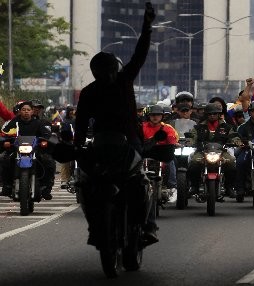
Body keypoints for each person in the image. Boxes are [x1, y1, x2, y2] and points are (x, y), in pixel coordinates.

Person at [73, 2, 159, 245]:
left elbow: (140, 54)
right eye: (103, 70)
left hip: (129, 142)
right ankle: (94, 226)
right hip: (102, 144)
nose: (108, 74)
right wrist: (77, 148)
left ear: (115, 69)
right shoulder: (89, 92)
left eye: (110, 69)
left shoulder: (124, 80)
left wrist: (147, 27)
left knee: (143, 181)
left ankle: (148, 226)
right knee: (85, 183)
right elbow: (80, 123)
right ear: (96, 72)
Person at [187, 103, 240, 201]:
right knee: (193, 162)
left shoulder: (227, 127)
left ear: (219, 114)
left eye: (215, 113)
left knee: (231, 162)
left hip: (221, 152)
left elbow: (234, 137)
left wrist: (236, 141)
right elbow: (192, 137)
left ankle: (229, 187)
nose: (212, 115)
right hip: (202, 152)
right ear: (206, 115)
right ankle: (194, 186)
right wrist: (189, 142)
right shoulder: (198, 127)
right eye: (210, 114)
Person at [0, 101, 52, 198]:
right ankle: (6, 185)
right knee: (4, 159)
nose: (26, 112)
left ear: (32, 112)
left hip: (35, 150)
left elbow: (46, 135)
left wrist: (43, 142)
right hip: (16, 149)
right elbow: (4, 133)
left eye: (28, 110)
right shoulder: (14, 122)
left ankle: (46, 187)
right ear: (19, 111)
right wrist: (6, 141)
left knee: (48, 160)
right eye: (23, 110)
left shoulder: (38, 123)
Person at [142, 105, 178, 204]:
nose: (155, 117)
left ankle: (172, 187)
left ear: (162, 116)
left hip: (161, 155)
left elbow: (171, 140)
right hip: (146, 155)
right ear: (149, 116)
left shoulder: (167, 128)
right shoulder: (142, 127)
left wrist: (173, 143)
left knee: (171, 161)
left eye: (158, 115)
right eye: (153, 115)